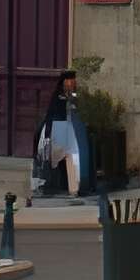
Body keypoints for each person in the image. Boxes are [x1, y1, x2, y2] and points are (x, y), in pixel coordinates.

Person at [36, 71, 90, 199]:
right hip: (59, 127)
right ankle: (52, 185)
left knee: (71, 157)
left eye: (73, 81)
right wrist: (48, 132)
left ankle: (73, 188)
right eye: (68, 81)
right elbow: (51, 114)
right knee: (56, 158)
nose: (71, 83)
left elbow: (79, 109)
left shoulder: (76, 95)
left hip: (72, 129)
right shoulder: (58, 96)